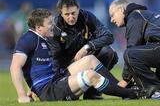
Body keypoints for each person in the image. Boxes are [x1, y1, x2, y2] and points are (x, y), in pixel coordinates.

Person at [10, 8, 140, 103]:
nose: (53, 25)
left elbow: (34, 67)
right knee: (90, 75)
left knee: (89, 59)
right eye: (49, 23)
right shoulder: (27, 39)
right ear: (38, 28)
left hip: (56, 78)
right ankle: (130, 93)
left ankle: (121, 87)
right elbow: (15, 67)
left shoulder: (43, 38)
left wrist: (31, 88)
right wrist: (22, 94)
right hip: (49, 90)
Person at [48, 0, 118, 99]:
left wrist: (86, 47)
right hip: (66, 68)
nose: (71, 17)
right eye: (67, 14)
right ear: (61, 14)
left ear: (78, 9)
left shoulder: (87, 17)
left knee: (108, 52)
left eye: (73, 13)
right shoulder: (54, 27)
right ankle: (121, 88)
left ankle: (92, 93)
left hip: (86, 58)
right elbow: (53, 57)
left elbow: (109, 36)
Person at [109, 0, 160, 99]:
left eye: (112, 15)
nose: (111, 20)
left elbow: (133, 46)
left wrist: (125, 79)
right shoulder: (144, 14)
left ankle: (156, 91)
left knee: (130, 54)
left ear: (121, 10)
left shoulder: (135, 15)